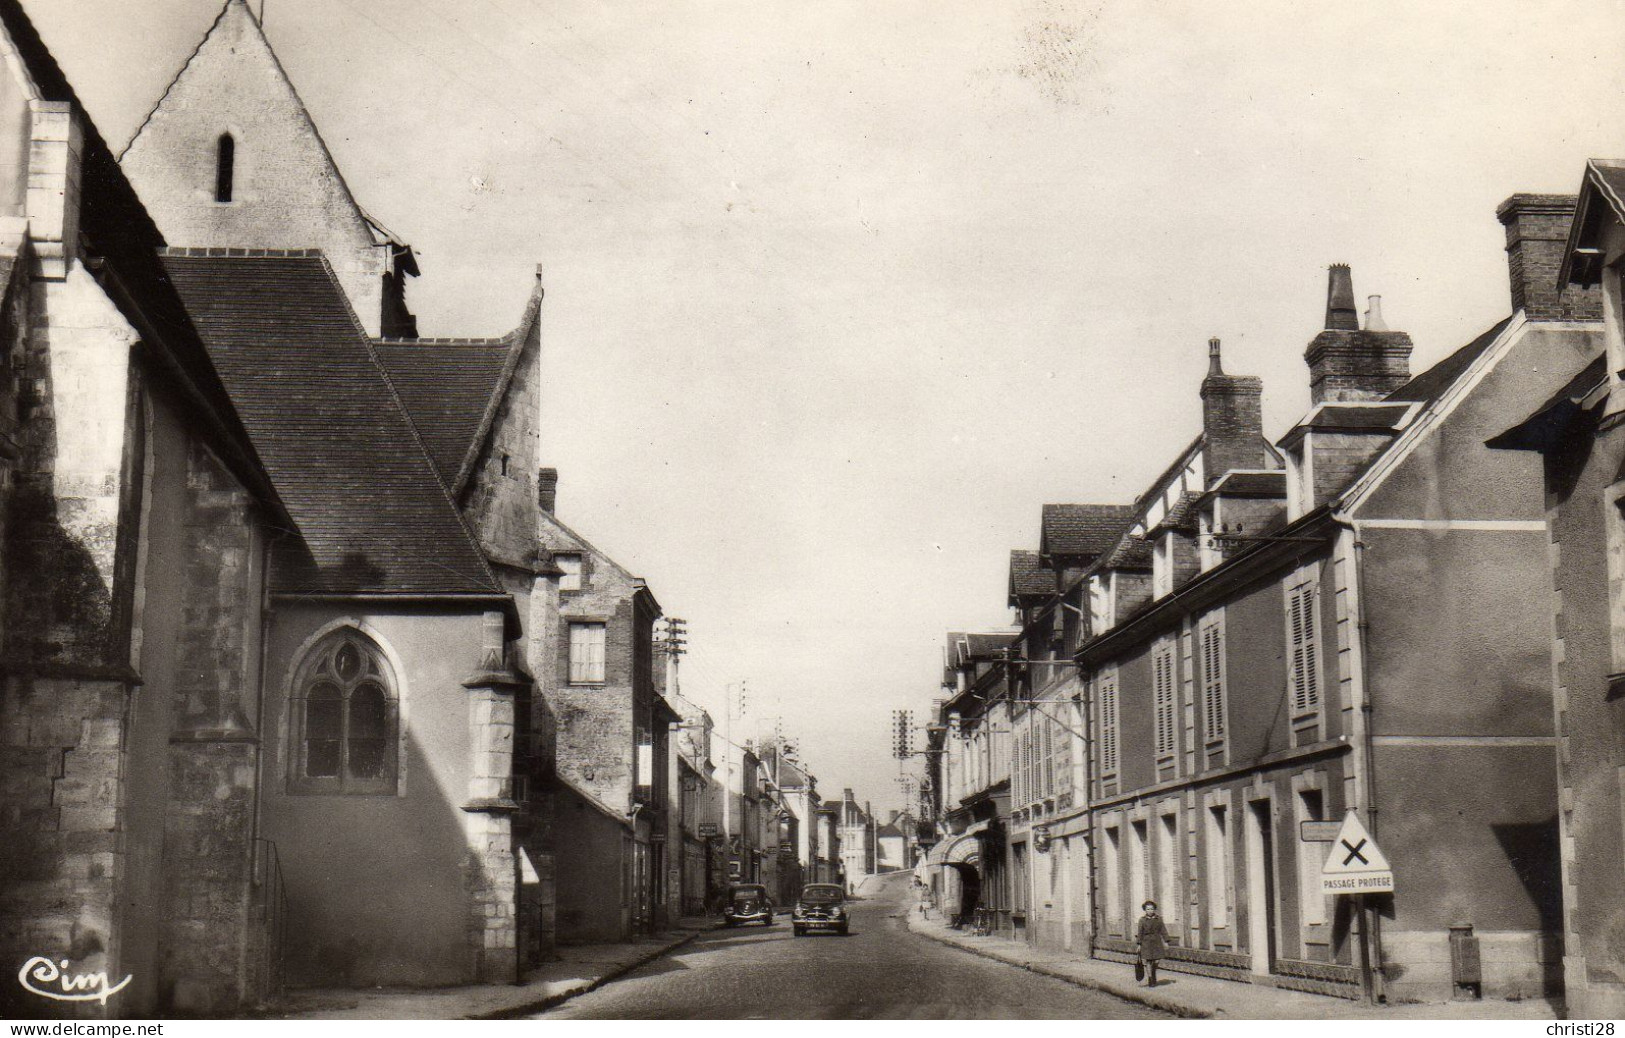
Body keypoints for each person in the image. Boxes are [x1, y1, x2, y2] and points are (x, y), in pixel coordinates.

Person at [1135, 899, 1169, 987]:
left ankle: (1153, 972)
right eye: (1148, 909)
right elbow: (1140, 933)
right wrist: (1139, 944)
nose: (1150, 911)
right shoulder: (1142, 920)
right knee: (1148, 961)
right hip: (1146, 942)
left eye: (1152, 909)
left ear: (1154, 909)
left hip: (1156, 942)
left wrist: (1166, 941)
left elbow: (1163, 930)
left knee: (1157, 960)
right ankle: (1150, 978)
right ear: (1145, 910)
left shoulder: (1159, 919)